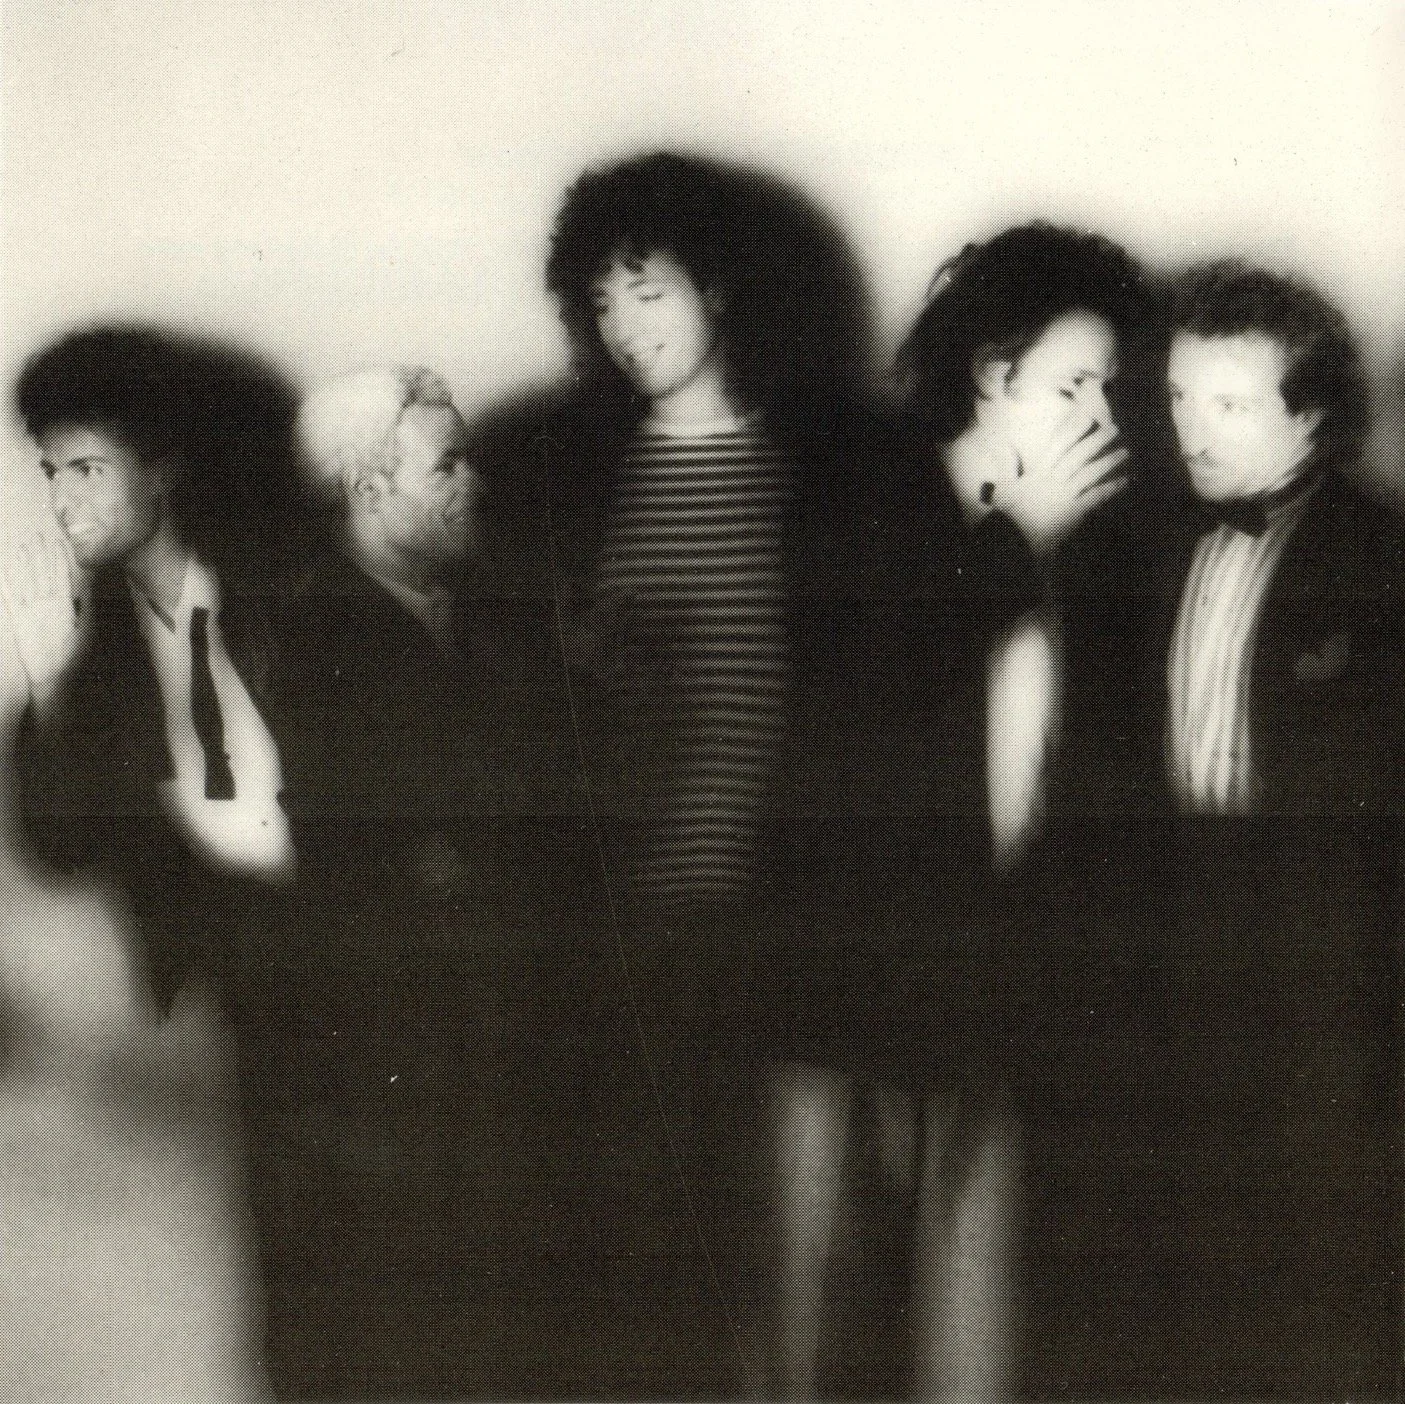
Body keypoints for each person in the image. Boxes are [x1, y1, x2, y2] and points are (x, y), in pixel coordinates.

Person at [771, 223, 1158, 1400]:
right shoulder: (864, 496)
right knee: (827, 1318)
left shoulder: (1097, 540)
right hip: (850, 988)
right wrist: (1012, 539)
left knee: (977, 1333)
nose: (1101, 416)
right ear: (993, 372)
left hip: (1005, 986)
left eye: (1109, 386)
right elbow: (845, 706)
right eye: (1073, 384)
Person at [543, 150, 870, 1398]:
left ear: (720, 288)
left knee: (782, 1273)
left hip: (775, 924)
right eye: (602, 302)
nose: (625, 327)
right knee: (644, 1270)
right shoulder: (584, 476)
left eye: (649, 290)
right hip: (625, 933)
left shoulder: (813, 472)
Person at [232, 363, 529, 1399]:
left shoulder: (485, 625)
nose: (473, 483)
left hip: (481, 1056)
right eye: (447, 465)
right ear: (368, 488)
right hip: (382, 1067)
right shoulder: (309, 641)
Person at [1143, 260, 1404, 1395]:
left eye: (1229, 403)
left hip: (1321, 946)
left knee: (1324, 1238)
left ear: (1310, 416)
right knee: (1193, 1233)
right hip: (1178, 923)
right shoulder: (1159, 539)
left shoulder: (1380, 556)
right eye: (1178, 397)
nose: (1191, 429)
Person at [10, 325, 299, 1018]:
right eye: (51, 474)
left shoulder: (284, 588)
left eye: (87, 470)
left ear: (162, 465)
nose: (61, 504)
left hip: (375, 938)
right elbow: (61, 851)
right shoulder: (99, 652)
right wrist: (48, 684)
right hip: (241, 978)